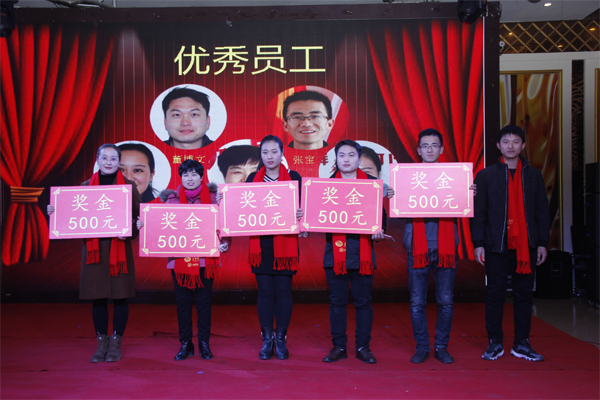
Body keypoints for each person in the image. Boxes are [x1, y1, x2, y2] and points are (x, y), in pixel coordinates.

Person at [48, 144, 141, 363]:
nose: (109, 162)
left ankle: (115, 344)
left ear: (119, 162)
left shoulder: (128, 186)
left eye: (113, 159)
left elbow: (138, 219)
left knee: (120, 297)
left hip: (119, 252)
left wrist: (130, 231)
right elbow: (69, 217)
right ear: (97, 160)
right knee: (98, 299)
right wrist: (54, 211)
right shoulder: (84, 187)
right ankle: (101, 344)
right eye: (104, 158)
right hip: (94, 252)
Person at [471, 125, 550, 362]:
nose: (511, 146)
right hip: (496, 245)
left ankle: (521, 343)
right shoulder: (485, 176)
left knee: (524, 295)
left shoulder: (533, 175)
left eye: (516, 141)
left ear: (523, 145)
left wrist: (542, 242)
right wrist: (478, 243)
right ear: (498, 146)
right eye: (506, 142)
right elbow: (479, 213)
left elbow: (542, 211)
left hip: (527, 245)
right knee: (495, 294)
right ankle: (494, 342)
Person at [150, 159, 230, 361]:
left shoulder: (215, 198)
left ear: (201, 176)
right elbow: (160, 227)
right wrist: (144, 225)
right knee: (183, 303)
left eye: (194, 174)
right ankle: (185, 343)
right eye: (186, 174)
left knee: (203, 303)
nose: (190, 178)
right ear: (181, 177)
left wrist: (225, 242)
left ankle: (204, 343)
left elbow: (224, 224)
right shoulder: (172, 200)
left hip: (205, 260)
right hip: (179, 261)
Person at [321, 140, 388, 364]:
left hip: (362, 252)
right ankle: (339, 346)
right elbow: (317, 216)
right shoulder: (325, 187)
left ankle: (363, 346)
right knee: (337, 302)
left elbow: (380, 216)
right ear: (336, 160)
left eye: (351, 155)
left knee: (363, 302)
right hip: (335, 253)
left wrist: (380, 229)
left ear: (359, 159)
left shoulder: (371, 185)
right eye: (342, 155)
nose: (346, 159)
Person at [403, 129, 460, 364]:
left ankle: (441, 347)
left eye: (434, 145)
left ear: (441, 149)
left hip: (446, 248)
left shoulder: (454, 177)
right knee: (417, 302)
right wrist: (394, 194)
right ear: (418, 150)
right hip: (417, 247)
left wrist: (468, 193)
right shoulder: (407, 177)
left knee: (445, 301)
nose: (429, 149)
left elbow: (464, 204)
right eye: (425, 145)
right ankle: (422, 347)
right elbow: (398, 206)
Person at [244, 135, 303, 360]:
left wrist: (301, 213)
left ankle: (281, 339)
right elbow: (243, 207)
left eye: (274, 152)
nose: (270, 156)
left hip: (285, 243)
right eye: (265, 152)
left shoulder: (294, 178)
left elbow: (304, 208)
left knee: (283, 291)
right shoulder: (252, 179)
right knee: (265, 292)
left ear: (282, 154)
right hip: (261, 244)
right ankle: (267, 339)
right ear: (261, 155)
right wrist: (224, 199)